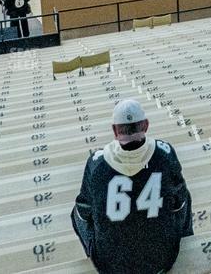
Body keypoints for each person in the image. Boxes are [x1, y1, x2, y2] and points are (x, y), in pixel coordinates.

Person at [72, 99, 193, 274]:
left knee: (79, 212)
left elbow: (83, 214)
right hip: (161, 261)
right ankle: (185, 241)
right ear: (146, 125)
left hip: (111, 266)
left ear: (114, 130)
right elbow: (180, 203)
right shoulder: (165, 154)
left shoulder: (96, 164)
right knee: (182, 198)